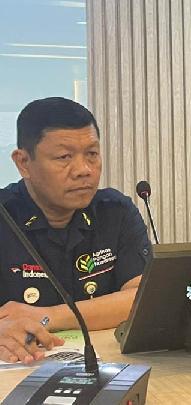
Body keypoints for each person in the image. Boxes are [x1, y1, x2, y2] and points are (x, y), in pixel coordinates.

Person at [0, 97, 151, 364]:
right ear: (23, 163)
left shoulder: (115, 211)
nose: (83, 170)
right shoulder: (5, 215)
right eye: (64, 157)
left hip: (103, 363)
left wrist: (49, 316)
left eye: (92, 154)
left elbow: (142, 298)